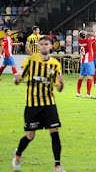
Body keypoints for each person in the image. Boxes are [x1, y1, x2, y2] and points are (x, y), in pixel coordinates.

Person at [12, 36, 66, 172]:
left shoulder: (55, 64)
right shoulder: (30, 61)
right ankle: (18, 154)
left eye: (46, 44)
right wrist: (16, 79)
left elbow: (58, 88)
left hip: (49, 104)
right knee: (30, 136)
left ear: (51, 46)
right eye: (41, 44)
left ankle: (57, 166)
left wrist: (62, 83)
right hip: (32, 105)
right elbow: (18, 80)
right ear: (38, 46)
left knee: (54, 132)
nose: (43, 46)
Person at [77, 31, 96, 98]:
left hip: (83, 61)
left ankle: (78, 92)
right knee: (89, 77)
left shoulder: (79, 40)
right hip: (89, 61)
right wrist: (89, 33)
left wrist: (85, 33)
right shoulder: (88, 41)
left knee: (81, 76)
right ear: (85, 35)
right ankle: (88, 94)